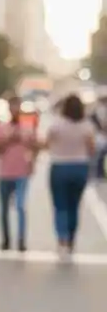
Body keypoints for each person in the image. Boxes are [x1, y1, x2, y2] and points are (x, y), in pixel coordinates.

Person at [42, 93, 96, 258]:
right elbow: (92, 149)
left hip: (59, 166)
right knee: (74, 206)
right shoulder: (86, 126)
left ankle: (62, 240)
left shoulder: (57, 124)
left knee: (60, 206)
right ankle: (71, 239)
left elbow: (46, 144)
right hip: (80, 167)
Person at [0, 95, 38, 252]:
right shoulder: (0, 127)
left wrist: (32, 162)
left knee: (20, 206)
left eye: (17, 107)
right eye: (12, 107)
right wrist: (7, 140)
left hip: (21, 172)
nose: (15, 110)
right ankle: (5, 239)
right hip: (4, 172)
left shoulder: (27, 128)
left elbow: (35, 145)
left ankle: (21, 240)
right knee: (4, 209)